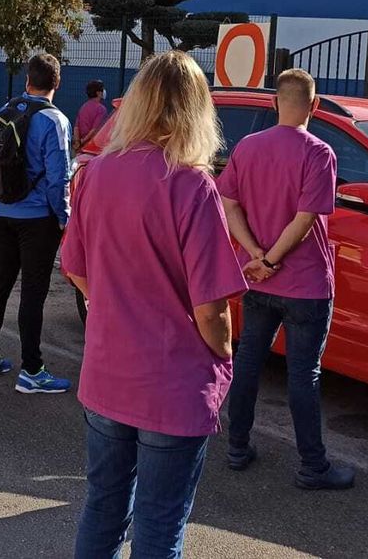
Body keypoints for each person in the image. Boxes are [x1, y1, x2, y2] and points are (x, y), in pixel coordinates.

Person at [63, 50, 248, 558]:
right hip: (172, 384)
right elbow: (211, 309)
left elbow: (75, 267)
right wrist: (224, 354)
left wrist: (112, 305)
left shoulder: (96, 174)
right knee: (161, 522)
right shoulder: (191, 185)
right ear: (196, 110)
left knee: (103, 505)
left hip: (107, 373)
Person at [220, 68, 355, 491]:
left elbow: (228, 203)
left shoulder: (248, 146)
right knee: (303, 374)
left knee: (248, 362)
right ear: (315, 105)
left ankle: (237, 447)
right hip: (305, 284)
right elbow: (305, 218)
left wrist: (256, 256)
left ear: (274, 102)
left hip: (257, 281)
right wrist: (273, 259)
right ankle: (313, 466)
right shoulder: (319, 153)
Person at [0, 54, 73, 394]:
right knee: (33, 292)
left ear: (27, 80)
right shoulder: (55, 120)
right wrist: (64, 218)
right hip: (38, 219)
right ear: (57, 82)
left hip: (2, 212)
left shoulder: (6, 111)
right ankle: (32, 370)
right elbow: (59, 177)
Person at [74, 79, 110, 151]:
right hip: (94, 146)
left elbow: (76, 127)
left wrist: (78, 142)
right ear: (98, 93)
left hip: (82, 146)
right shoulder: (101, 109)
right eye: (102, 90)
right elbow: (95, 130)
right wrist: (83, 141)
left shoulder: (83, 107)